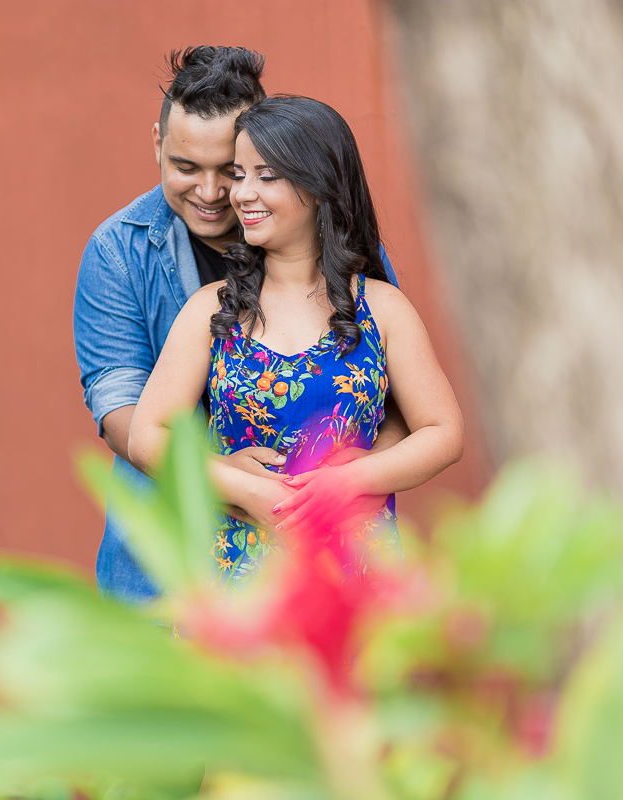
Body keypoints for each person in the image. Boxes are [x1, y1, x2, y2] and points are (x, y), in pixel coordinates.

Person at [74, 49, 404, 602]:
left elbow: (396, 392)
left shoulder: (343, 259)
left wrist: (363, 475)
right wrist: (228, 478)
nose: (210, 193)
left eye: (230, 169)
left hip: (328, 558)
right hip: (168, 571)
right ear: (157, 144)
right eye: (185, 167)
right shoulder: (118, 252)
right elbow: (120, 412)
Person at [128, 96, 463, 586]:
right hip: (240, 584)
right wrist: (244, 489)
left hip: (357, 575)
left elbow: (443, 431)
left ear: (319, 187)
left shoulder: (382, 308)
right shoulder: (210, 310)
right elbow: (146, 437)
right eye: (239, 174)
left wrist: (353, 479)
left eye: (266, 176)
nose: (241, 193)